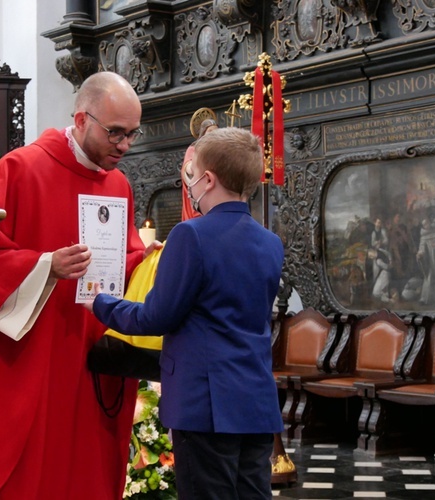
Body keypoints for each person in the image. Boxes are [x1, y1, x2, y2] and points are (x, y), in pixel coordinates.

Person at [0, 71, 151, 499]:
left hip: (90, 350)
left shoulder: (117, 184)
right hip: (28, 356)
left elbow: (127, 256)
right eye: (115, 133)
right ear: (81, 119)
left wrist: (147, 261)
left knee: (86, 466)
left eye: (132, 134)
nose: (124, 146)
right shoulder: (19, 169)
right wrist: (45, 265)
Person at [85, 127, 285, 499]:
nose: (189, 184)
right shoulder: (270, 242)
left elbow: (156, 318)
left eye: (191, 176)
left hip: (205, 403)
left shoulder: (190, 235)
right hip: (255, 399)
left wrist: (99, 302)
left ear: (207, 180)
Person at [181, 118, 218, 221]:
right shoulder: (194, 149)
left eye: (216, 131)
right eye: (210, 131)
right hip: (198, 193)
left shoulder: (218, 151)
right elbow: (187, 169)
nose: (213, 134)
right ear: (203, 133)